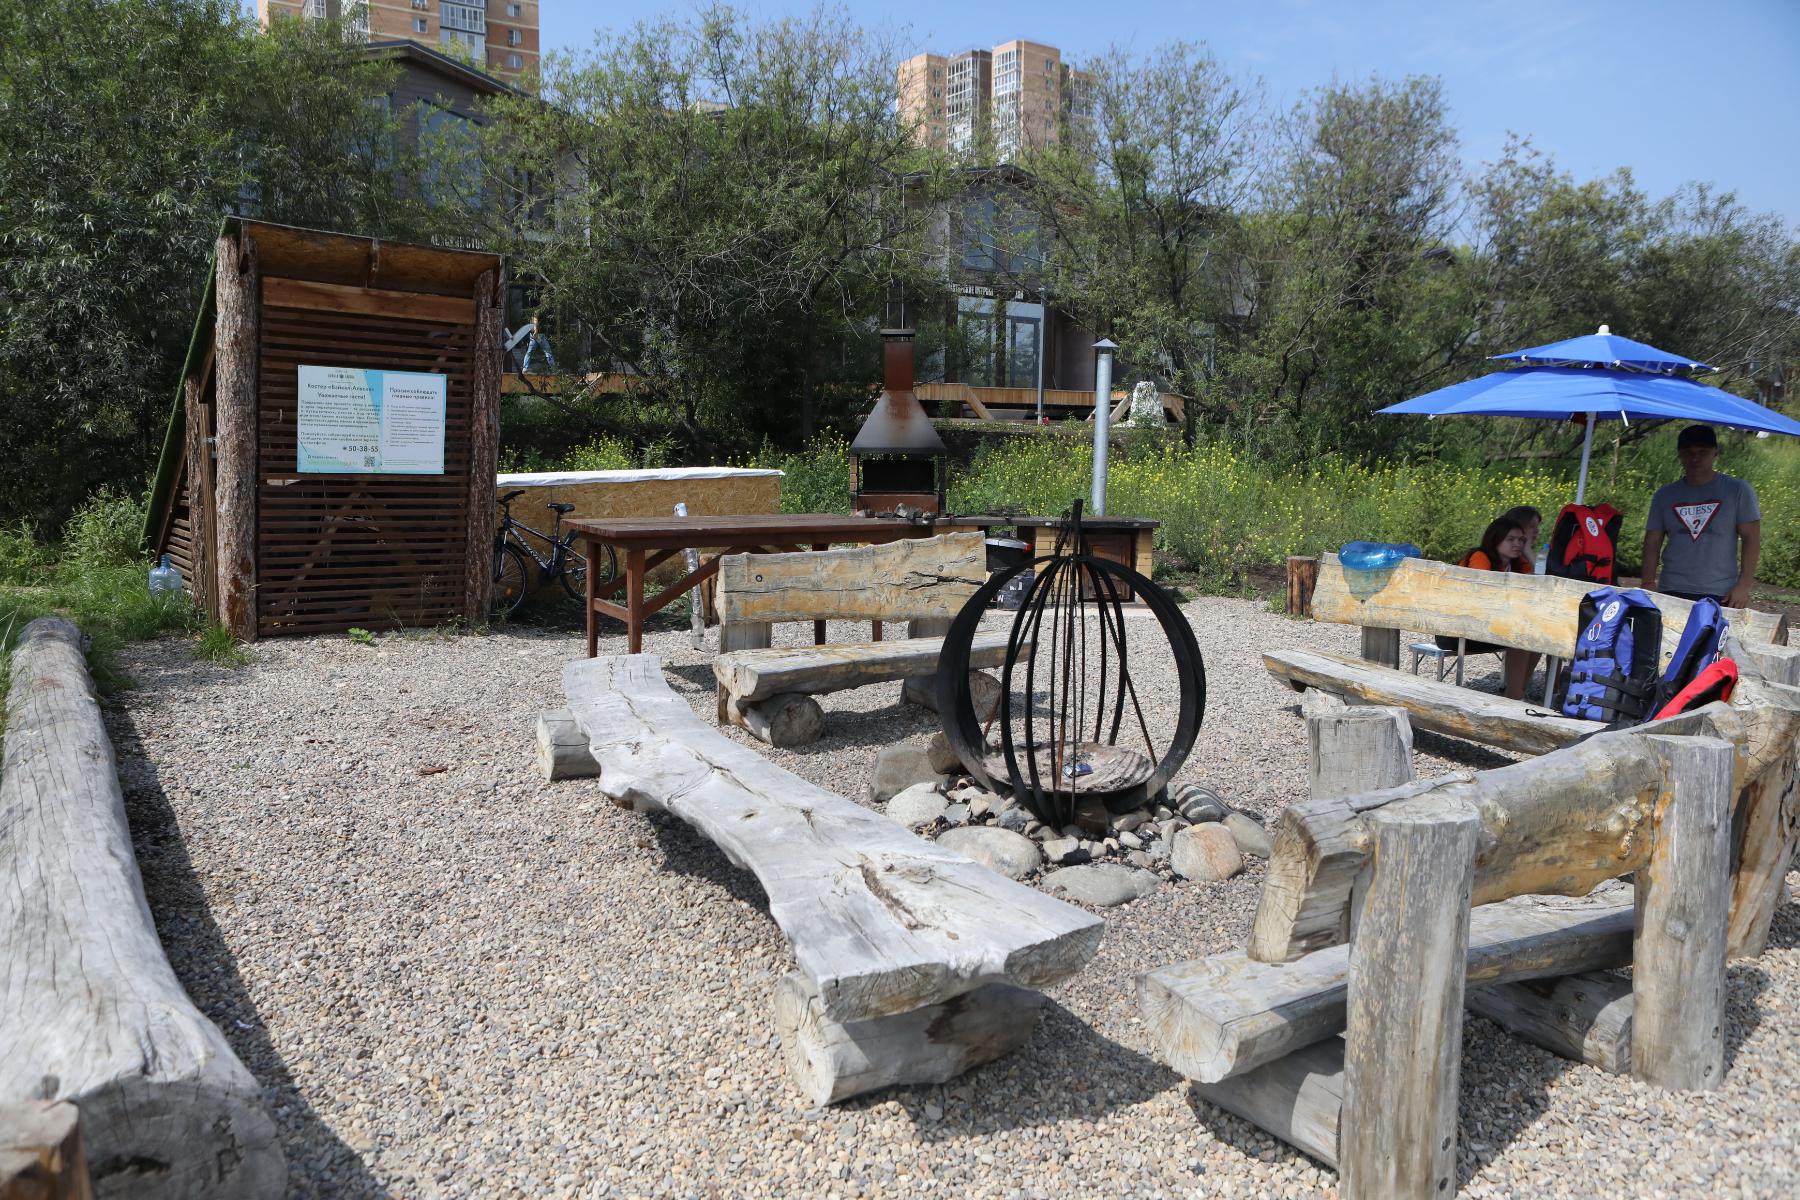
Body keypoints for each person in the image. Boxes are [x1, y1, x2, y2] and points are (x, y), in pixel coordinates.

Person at [1641, 424, 1761, 608]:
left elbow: (1751, 539)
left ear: (1715, 452)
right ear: (1679, 455)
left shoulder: (1737, 491)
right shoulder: (1664, 495)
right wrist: (1648, 583)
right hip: (1672, 588)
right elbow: (1652, 541)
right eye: (1688, 453)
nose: (1695, 458)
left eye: (1702, 452)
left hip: (1721, 592)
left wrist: (1743, 586)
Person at [1441, 515, 1540, 699]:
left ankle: (1517, 691)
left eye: (1521, 540)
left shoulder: (1516, 563)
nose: (1517, 544)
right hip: (1457, 629)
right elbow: (1483, 595)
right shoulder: (1480, 557)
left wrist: (1527, 550)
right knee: (1521, 636)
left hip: (1490, 627)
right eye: (1510, 539)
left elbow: (1541, 580)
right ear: (1496, 540)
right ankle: (1514, 697)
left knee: (1537, 637)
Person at [1501, 505, 1542, 573]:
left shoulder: (1523, 560)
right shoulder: (1485, 557)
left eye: (1537, 526)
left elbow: (1541, 576)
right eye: (1532, 526)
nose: (1537, 531)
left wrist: (1527, 548)